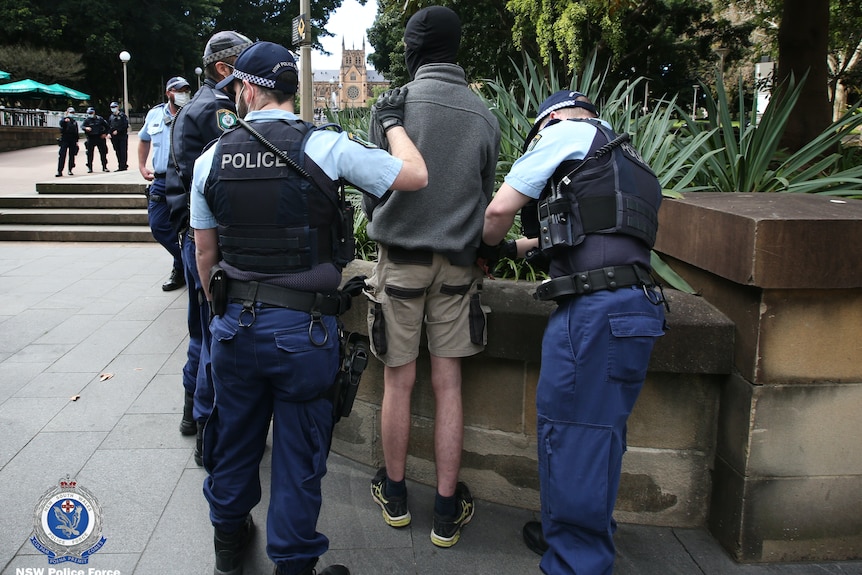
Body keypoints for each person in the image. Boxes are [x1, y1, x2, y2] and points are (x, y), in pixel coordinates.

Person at [190, 40, 428, 575]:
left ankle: (228, 541)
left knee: (233, 437)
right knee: (300, 451)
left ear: (249, 89)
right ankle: (293, 562)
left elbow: (206, 256)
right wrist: (392, 127)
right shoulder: (325, 145)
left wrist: (222, 309)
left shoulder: (212, 157)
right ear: (290, 90)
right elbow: (413, 177)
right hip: (304, 330)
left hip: (234, 325)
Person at [481, 90, 667, 575]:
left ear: (553, 118)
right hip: (635, 305)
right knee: (598, 434)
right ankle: (568, 532)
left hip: (593, 311)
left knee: (577, 436)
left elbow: (498, 211)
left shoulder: (563, 134)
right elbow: (585, 227)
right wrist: (519, 251)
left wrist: (485, 244)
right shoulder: (630, 158)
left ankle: (576, 563)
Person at [362, 5, 500, 549]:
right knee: (449, 386)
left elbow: (374, 181)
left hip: (400, 262)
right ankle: (446, 510)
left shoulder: (392, 106)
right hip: (459, 268)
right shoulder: (483, 114)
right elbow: (486, 201)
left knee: (400, 381)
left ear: (415, 49)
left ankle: (395, 496)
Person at [166, 30, 253, 456]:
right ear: (225, 68)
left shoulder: (195, 105)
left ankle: (190, 414)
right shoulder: (219, 108)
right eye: (245, 64)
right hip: (207, 237)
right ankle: (206, 429)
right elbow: (234, 178)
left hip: (191, 233)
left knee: (200, 332)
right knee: (214, 335)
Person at [138, 76, 192, 293]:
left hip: (184, 179)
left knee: (189, 226)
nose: (184, 93)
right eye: (179, 90)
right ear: (169, 92)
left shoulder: (192, 113)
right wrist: (142, 166)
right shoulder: (155, 114)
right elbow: (144, 139)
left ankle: (181, 269)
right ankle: (185, 261)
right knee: (159, 226)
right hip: (160, 179)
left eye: (187, 90)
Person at [82, 106, 110, 173]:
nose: (90, 114)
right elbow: (82, 126)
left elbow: (107, 127)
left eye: (91, 112)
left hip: (99, 137)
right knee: (89, 154)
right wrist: (86, 128)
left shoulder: (100, 119)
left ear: (94, 112)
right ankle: (90, 168)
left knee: (103, 153)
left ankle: (104, 167)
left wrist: (105, 134)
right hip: (91, 138)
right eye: (89, 113)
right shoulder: (87, 120)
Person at [56, 107, 79, 177]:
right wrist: (65, 120)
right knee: (62, 155)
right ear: (67, 112)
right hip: (65, 139)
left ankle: (70, 169)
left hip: (72, 140)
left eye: (72, 113)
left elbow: (76, 132)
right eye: (70, 112)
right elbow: (61, 124)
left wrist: (76, 141)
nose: (71, 114)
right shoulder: (63, 120)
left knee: (72, 155)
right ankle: (59, 171)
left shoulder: (74, 122)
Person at [108, 101, 130, 171]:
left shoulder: (122, 115)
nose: (113, 108)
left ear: (117, 107)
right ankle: (120, 165)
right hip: (114, 137)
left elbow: (125, 125)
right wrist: (109, 133)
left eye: (114, 107)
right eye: (112, 107)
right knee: (117, 151)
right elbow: (109, 126)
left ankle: (123, 166)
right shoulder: (111, 116)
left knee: (123, 151)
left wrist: (118, 131)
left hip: (122, 136)